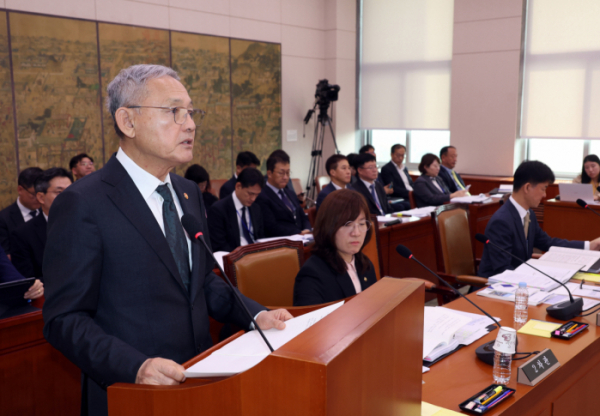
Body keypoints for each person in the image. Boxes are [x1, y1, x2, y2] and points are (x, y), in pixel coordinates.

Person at [42, 64, 292, 416]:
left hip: (200, 381)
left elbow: (201, 283)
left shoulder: (188, 192)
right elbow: (64, 320)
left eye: (190, 112)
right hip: (134, 395)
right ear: (127, 121)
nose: (189, 123)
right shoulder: (84, 203)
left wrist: (256, 315)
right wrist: (135, 367)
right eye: (174, 111)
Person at [294, 189, 434, 306]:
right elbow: (310, 331)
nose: (356, 233)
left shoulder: (364, 263)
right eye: (347, 224)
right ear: (328, 226)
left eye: (361, 224)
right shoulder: (313, 273)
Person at [478, 160, 600, 278]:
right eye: (543, 188)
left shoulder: (529, 214)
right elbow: (503, 269)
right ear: (527, 188)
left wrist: (589, 246)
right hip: (490, 288)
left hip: (519, 282)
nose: (545, 195)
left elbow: (548, 243)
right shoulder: (501, 222)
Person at [11, 168, 73, 279]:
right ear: (41, 197)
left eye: (70, 191)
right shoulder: (23, 235)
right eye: (59, 192)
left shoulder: (87, 225)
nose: (67, 197)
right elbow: (29, 281)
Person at [208, 168, 265, 252]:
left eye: (257, 195)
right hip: (234, 256)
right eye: (250, 194)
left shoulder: (256, 208)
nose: (253, 199)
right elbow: (219, 245)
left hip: (256, 254)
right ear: (238, 186)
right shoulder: (218, 210)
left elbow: (260, 237)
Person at [255, 152, 311, 237]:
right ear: (269, 174)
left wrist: (307, 230)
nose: (285, 177)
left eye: (288, 173)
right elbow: (271, 227)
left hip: (301, 238)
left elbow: (303, 217)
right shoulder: (262, 196)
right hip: (281, 242)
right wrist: (299, 233)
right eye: (281, 173)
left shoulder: (290, 193)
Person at [0, 167, 43, 257]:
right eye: (34, 194)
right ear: (20, 190)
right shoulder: (4, 218)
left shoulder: (47, 212)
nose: (39, 199)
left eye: (42, 194)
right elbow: (6, 257)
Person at [379, 144, 412, 211]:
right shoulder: (386, 168)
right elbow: (393, 188)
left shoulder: (404, 168)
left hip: (411, 195)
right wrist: (410, 193)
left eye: (402, 155)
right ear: (392, 154)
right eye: (398, 155)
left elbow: (410, 184)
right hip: (400, 197)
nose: (400, 158)